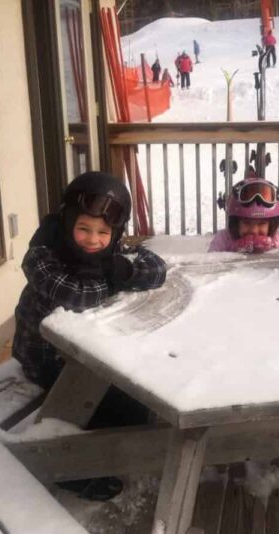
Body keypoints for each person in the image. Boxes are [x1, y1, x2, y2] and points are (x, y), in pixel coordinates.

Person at [12, 172, 167, 499]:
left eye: (103, 232)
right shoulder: (42, 255)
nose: (93, 240)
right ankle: (66, 468)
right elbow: (76, 295)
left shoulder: (107, 252)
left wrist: (126, 270)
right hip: (43, 358)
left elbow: (156, 268)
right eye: (83, 228)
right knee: (101, 401)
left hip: (85, 350)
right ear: (68, 223)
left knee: (135, 407)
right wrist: (115, 279)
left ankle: (104, 452)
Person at [208, 177, 279, 253]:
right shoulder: (224, 239)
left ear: (271, 226)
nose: (254, 231)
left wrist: (272, 250)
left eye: (262, 223)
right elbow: (211, 263)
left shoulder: (277, 239)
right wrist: (234, 250)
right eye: (246, 223)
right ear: (236, 224)